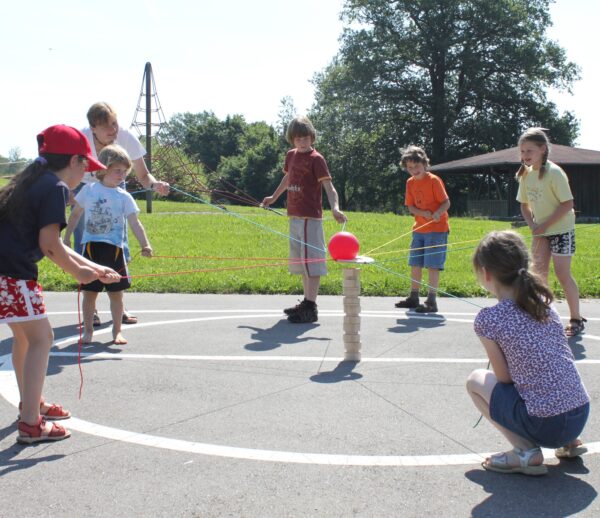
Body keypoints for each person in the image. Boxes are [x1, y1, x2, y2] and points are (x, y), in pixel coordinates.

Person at [0, 125, 121, 444]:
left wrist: (94, 267)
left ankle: (31, 402)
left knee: (25, 340)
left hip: (6, 272)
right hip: (13, 275)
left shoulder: (33, 180)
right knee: (43, 338)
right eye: (86, 168)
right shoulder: (53, 188)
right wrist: (80, 275)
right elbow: (50, 246)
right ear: (76, 161)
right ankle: (30, 423)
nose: (85, 176)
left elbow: (55, 244)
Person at [466, 230, 589, 476]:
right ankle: (570, 441)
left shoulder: (488, 319)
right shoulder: (544, 301)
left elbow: (504, 379)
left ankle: (525, 451)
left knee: (475, 381)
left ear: (486, 273)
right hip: (579, 413)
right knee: (548, 379)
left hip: (545, 423)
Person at [71, 101, 169, 326]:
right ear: (93, 127)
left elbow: (144, 176)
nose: (113, 130)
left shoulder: (126, 138)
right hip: (85, 188)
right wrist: (67, 191)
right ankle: (91, 307)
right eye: (107, 126)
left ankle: (119, 303)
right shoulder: (81, 140)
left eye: (114, 123)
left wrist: (156, 186)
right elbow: (68, 171)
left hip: (115, 187)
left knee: (118, 243)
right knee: (85, 246)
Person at [64, 145, 153, 345]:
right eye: (117, 171)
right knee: (90, 294)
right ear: (103, 169)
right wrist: (67, 237)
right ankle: (88, 331)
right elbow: (76, 214)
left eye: (125, 172)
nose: (122, 176)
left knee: (116, 295)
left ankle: (116, 331)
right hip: (91, 249)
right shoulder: (89, 190)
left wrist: (145, 244)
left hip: (114, 251)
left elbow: (135, 223)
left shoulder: (124, 196)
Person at [261, 116, 346, 323]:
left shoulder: (317, 159)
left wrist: (335, 208)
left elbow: (329, 188)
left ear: (312, 137)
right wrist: (274, 197)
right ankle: (307, 302)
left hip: (310, 218)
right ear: (292, 139)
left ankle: (311, 306)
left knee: (312, 263)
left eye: (306, 138)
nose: (302, 142)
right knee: (301, 263)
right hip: (295, 216)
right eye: (298, 139)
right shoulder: (291, 156)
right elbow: (288, 177)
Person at [516, 127, 585, 336]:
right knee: (538, 275)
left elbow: (567, 204)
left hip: (561, 230)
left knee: (563, 274)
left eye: (529, 151)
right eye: (522, 151)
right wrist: (532, 224)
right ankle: (543, 315)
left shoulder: (554, 173)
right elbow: (524, 205)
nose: (525, 155)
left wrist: (544, 225)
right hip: (541, 231)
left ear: (543, 149)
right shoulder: (526, 175)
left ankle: (576, 318)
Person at [394, 146, 450, 313]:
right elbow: (410, 207)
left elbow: (446, 202)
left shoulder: (433, 180)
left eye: (416, 166)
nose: (414, 170)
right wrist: (422, 213)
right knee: (415, 263)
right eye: (410, 168)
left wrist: (438, 212)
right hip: (419, 229)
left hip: (437, 229)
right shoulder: (410, 183)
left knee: (433, 265)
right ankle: (414, 297)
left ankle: (431, 300)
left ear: (424, 164)